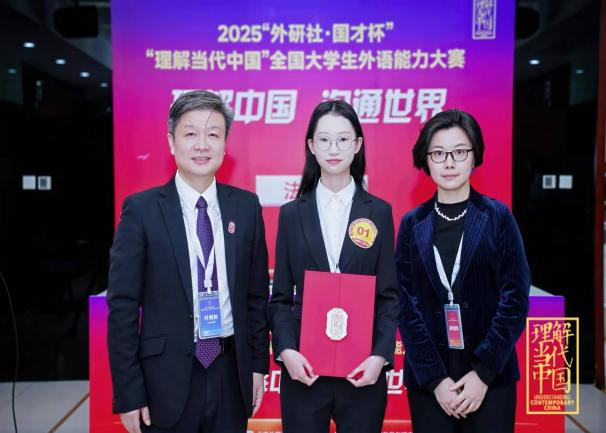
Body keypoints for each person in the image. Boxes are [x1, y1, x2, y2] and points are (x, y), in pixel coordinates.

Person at [107, 90, 269, 433]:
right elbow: (122, 307)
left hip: (230, 373)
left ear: (225, 144)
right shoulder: (141, 211)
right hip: (164, 379)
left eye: (213, 135)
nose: (202, 145)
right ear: (171, 142)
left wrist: (257, 366)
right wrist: (128, 392)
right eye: (190, 133)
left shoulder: (246, 207)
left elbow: (256, 298)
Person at [268, 99, 399, 433]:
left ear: (357, 144)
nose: (334, 148)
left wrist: (379, 357)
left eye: (343, 139)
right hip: (304, 371)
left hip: (363, 372)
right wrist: (287, 351)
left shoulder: (379, 212)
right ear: (311, 146)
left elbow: (389, 296)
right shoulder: (292, 214)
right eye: (324, 139)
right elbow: (280, 298)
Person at [396, 109, 530, 433]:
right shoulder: (412, 224)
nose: (449, 163)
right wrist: (436, 379)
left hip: (490, 380)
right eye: (438, 154)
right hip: (430, 383)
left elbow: (515, 298)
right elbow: (404, 304)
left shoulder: (498, 217)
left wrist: (483, 373)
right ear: (426, 160)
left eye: (459, 152)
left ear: (474, 157)